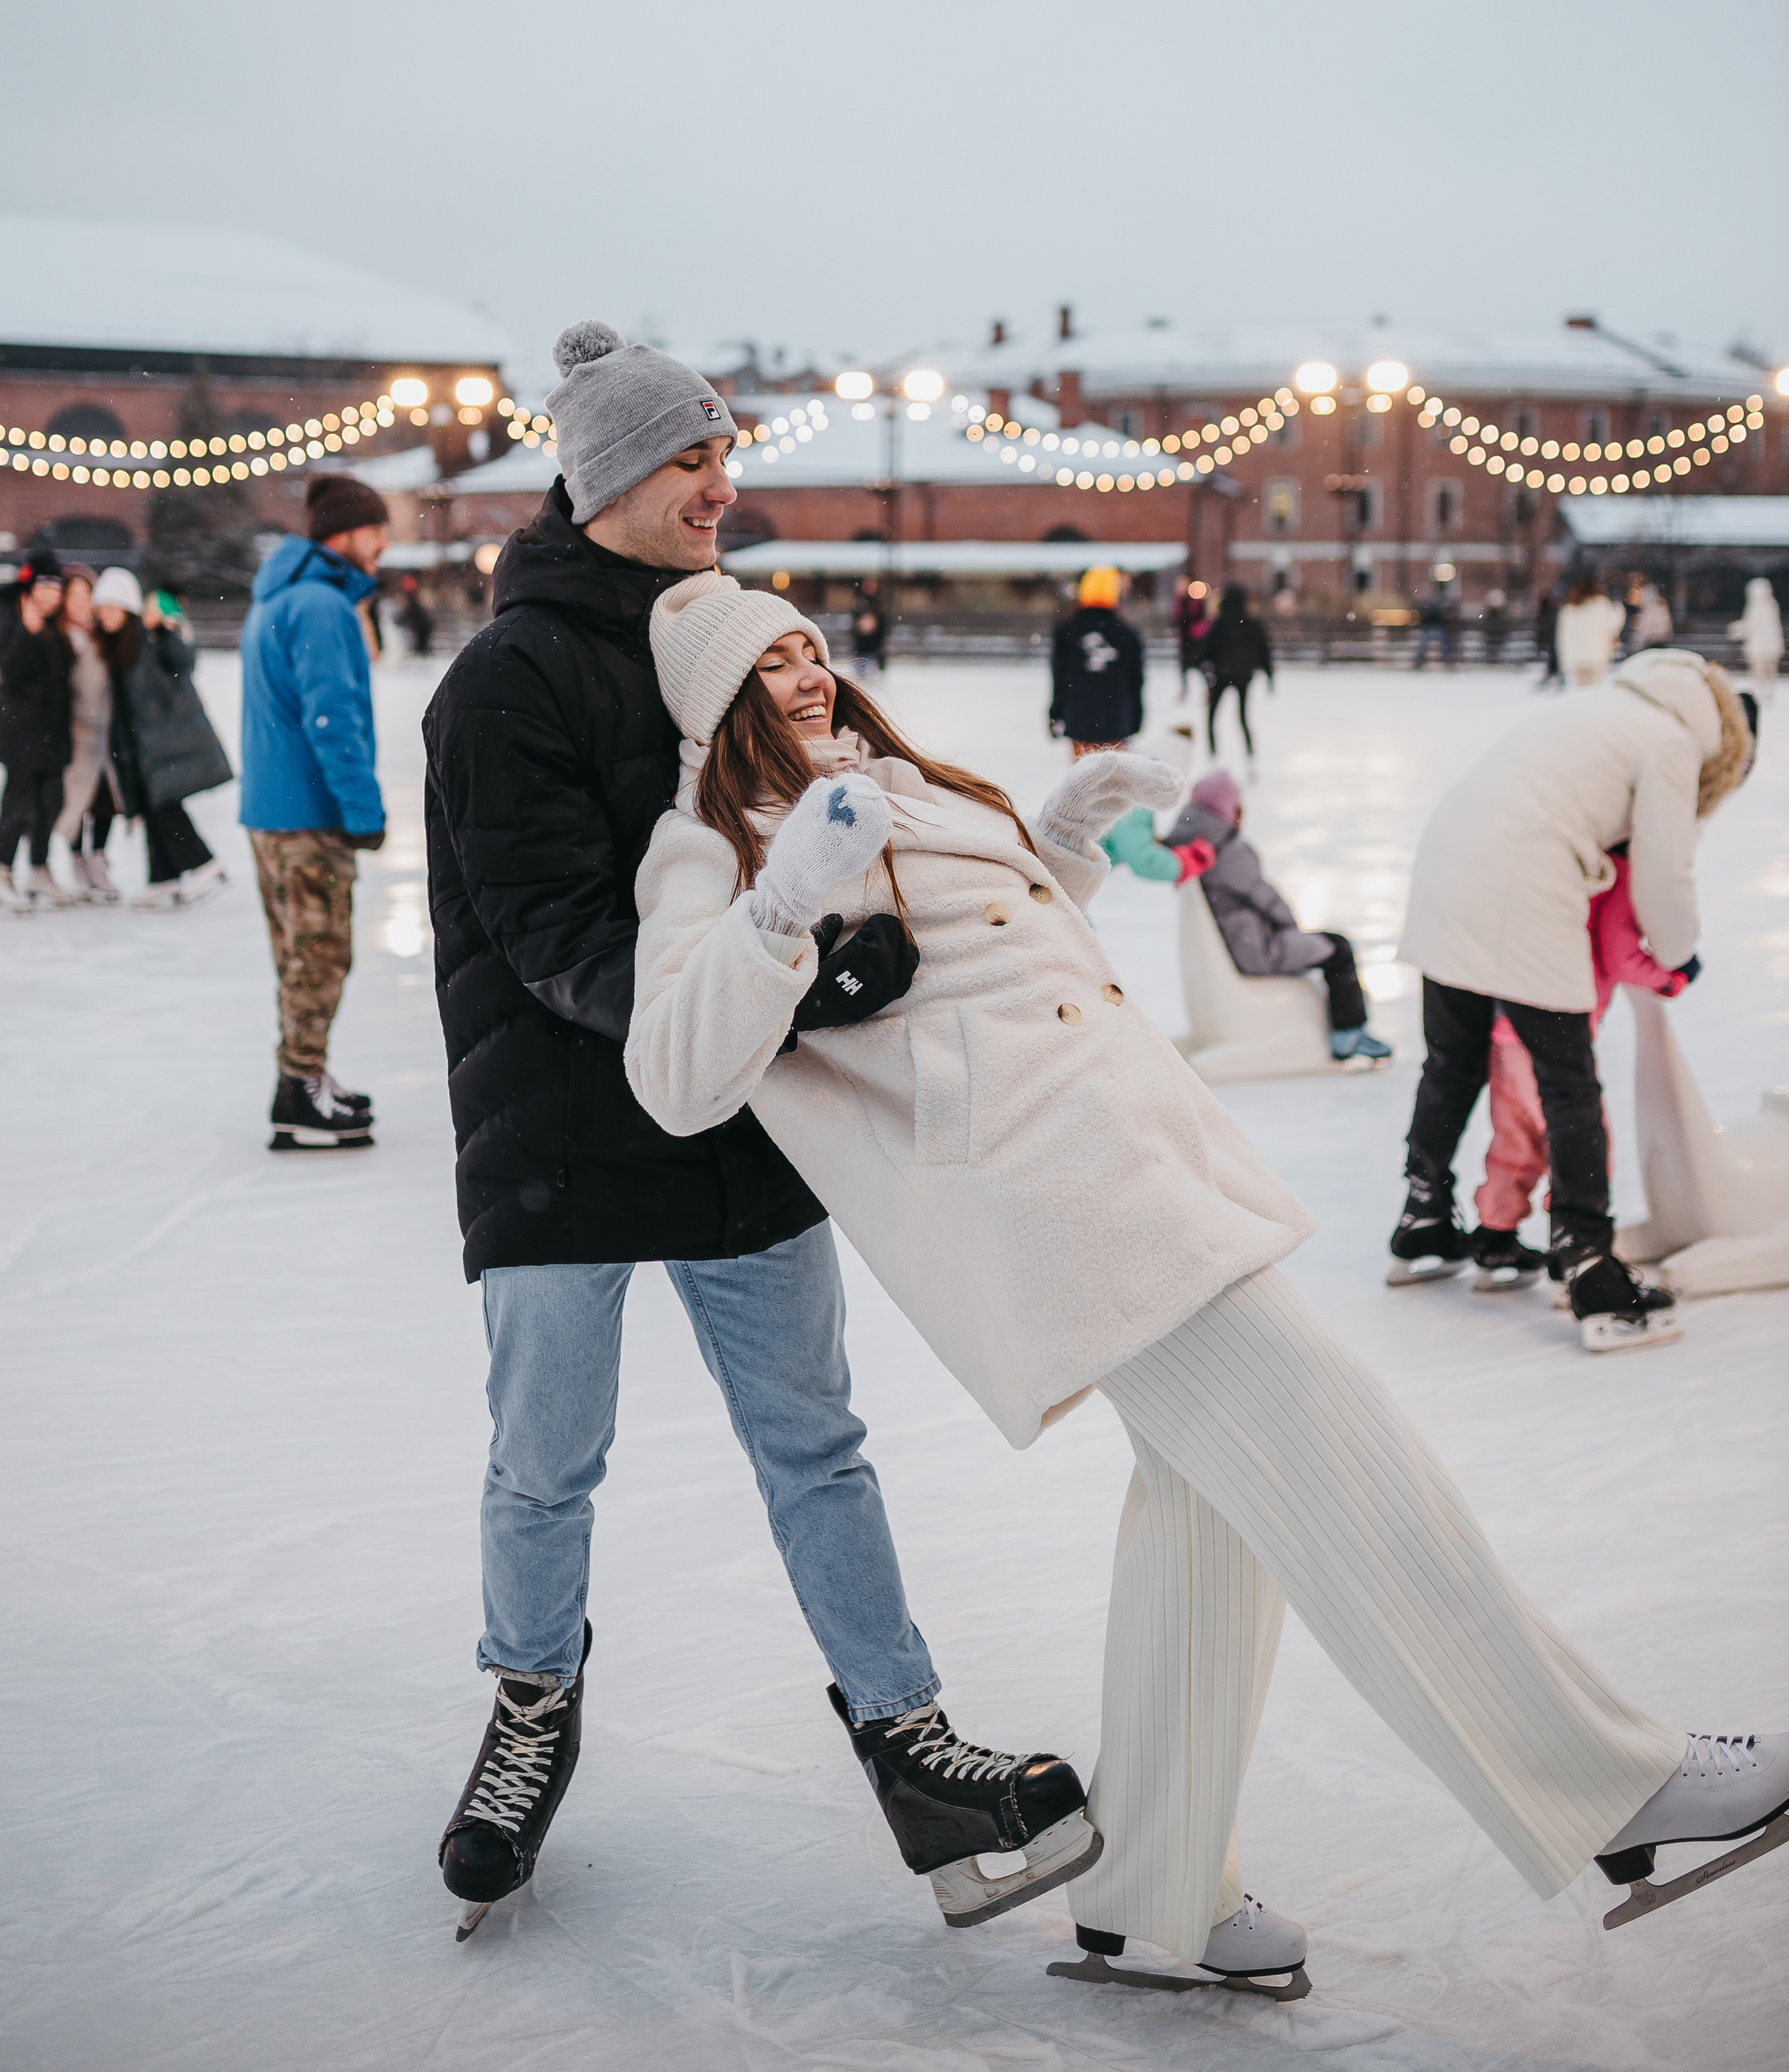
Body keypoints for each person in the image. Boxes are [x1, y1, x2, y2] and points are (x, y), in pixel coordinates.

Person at [625, 584, 1787, 1999]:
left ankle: (1151, 1891)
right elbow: (675, 1077)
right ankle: (1609, 1783)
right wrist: (781, 902)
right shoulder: (708, 845)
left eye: (810, 645)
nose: (804, 672)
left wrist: (1057, 841)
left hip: (1134, 1151)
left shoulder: (884, 779)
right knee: (1340, 1448)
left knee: (1212, 1515)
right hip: (1055, 1205)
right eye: (766, 661)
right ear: (713, 699)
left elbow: (995, 957)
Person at [423, 322, 1079, 1941]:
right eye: (692, 459)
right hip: (562, 1134)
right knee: (544, 1466)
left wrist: (867, 953)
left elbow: (825, 830)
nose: (726, 484)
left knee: (815, 1451)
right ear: (607, 480)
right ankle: (528, 1712)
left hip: (736, 1135)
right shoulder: (507, 681)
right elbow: (552, 933)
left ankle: (910, 1746)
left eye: (724, 452)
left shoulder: (717, 637)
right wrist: (769, 994)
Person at [1393, 649, 1756, 1347]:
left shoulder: (1599, 707)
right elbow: (1663, 872)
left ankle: (1423, 1220)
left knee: (1454, 1062)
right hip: (1523, 888)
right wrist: (1679, 958)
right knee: (1567, 1083)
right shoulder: (1675, 742)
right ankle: (1590, 1269)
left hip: (1445, 869)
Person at [240, 476, 390, 1151]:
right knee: (321, 953)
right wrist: (362, 809)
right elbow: (334, 720)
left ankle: (306, 1076)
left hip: (272, 810)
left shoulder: (277, 600)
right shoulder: (322, 607)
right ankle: (298, 1090)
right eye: (376, 529)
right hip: (309, 810)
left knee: (296, 953)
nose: (385, 543)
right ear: (344, 534)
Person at [1470, 852, 1699, 1293]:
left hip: (1507, 1023)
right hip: (1556, 1022)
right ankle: (1577, 1250)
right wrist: (1672, 978)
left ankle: (1495, 1236)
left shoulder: (1555, 859)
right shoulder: (1617, 869)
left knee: (1515, 1136)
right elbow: (1619, 953)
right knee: (1580, 1137)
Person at [1164, 770, 1392, 1062]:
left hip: (1241, 941)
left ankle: (1346, 1028)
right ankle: (1348, 1034)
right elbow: (1264, 897)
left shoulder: (1190, 841)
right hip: (1257, 949)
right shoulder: (1226, 848)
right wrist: (1289, 927)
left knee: (1328, 944)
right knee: (1338, 947)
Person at [91, 569, 233, 911]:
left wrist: (168, 628)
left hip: (161, 742)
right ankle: (164, 879)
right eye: (102, 608)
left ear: (127, 608)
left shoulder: (149, 637)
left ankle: (205, 864)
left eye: (112, 607)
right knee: (149, 806)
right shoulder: (114, 646)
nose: (105, 614)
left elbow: (183, 661)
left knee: (163, 805)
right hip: (136, 745)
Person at [0, 544, 75, 913]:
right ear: (30, 588)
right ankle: (0, 873)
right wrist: (26, 631)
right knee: (18, 802)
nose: (51, 598)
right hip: (19, 731)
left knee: (49, 802)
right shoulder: (13, 618)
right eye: (45, 589)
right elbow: (10, 671)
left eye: (57, 590)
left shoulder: (55, 625)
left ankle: (39, 868)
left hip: (50, 733)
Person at [48, 565, 119, 900]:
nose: (80, 602)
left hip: (108, 731)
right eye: (73, 595)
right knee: (77, 799)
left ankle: (98, 860)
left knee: (106, 799)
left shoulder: (104, 633)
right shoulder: (61, 636)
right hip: (76, 732)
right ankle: (77, 861)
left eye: (86, 594)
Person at [1049, 567, 1144, 753]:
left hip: (1079, 719)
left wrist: (1056, 714)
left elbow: (1060, 677)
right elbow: (1136, 681)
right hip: (1116, 720)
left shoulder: (1067, 631)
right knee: (1115, 778)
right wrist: (1136, 718)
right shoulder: (1127, 633)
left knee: (1083, 777)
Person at [1199, 581, 1271, 758]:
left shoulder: (1220, 623)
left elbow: (1206, 650)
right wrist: (1269, 675)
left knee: (1211, 718)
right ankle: (1249, 753)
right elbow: (1264, 650)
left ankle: (1213, 753)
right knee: (1243, 718)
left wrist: (1205, 670)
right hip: (1244, 676)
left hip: (1221, 675)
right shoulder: (1252, 624)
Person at [1555, 569, 1624, 689]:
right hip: (1596, 653)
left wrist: (1563, 657)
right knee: (1594, 691)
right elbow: (1612, 626)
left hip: (1575, 655)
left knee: (1581, 691)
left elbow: (1561, 634)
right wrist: (1620, 608)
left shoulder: (1569, 608)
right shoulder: (1600, 604)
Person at [1728, 577, 1782, 701]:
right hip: (1770, 645)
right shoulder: (1772, 606)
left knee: (1760, 670)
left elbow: (1750, 626)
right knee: (1769, 670)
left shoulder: (1756, 608)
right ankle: (1768, 691)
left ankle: (1762, 691)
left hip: (1759, 645)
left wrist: (1736, 630)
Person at [395, 572, 435, 658]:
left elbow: (410, 613)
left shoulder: (411, 601)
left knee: (422, 647)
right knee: (422, 647)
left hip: (422, 627)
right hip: (422, 626)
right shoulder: (413, 600)